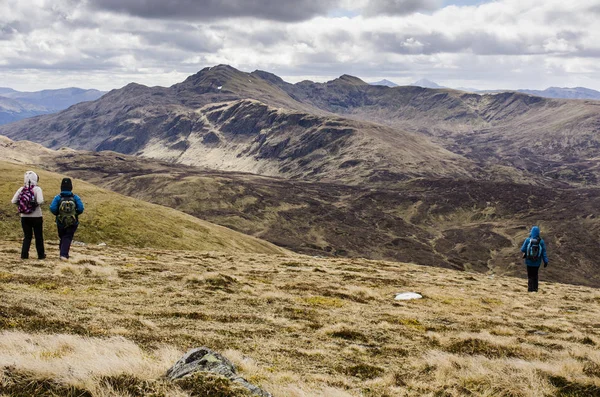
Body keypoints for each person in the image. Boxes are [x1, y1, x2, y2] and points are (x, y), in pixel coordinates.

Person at [11, 171, 45, 259]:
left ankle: (24, 255)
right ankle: (41, 255)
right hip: (37, 216)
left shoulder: (21, 189)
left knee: (27, 237)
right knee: (38, 237)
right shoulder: (37, 189)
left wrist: (23, 206)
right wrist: (34, 205)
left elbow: (13, 201)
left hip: (24, 217)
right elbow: (40, 201)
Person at [50, 178, 84, 261]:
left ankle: (63, 253)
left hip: (61, 222)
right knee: (67, 237)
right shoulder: (75, 197)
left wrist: (58, 214)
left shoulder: (58, 197)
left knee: (63, 237)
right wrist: (74, 214)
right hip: (73, 222)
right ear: (71, 187)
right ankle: (64, 255)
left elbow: (53, 208)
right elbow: (81, 208)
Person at [520, 226, 549, 292]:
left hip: (529, 262)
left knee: (530, 275)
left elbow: (522, 249)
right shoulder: (541, 242)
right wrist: (545, 261)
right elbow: (543, 252)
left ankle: (530, 289)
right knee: (535, 275)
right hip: (537, 262)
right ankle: (535, 289)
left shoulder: (528, 240)